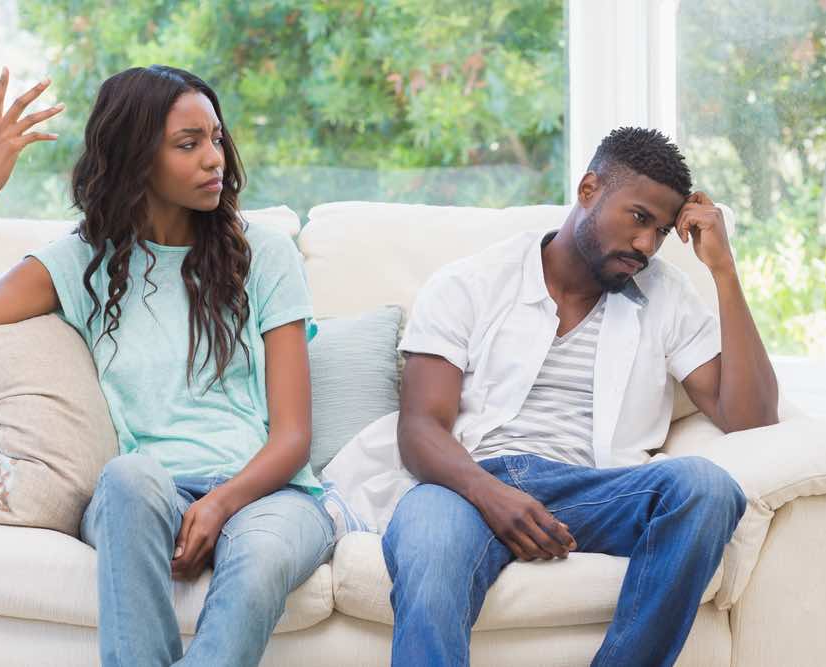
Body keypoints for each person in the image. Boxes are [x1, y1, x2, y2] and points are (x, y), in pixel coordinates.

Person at [0, 64, 335, 667]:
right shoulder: (84, 263)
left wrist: (221, 503)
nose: (215, 159)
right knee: (129, 475)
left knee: (260, 561)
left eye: (216, 138)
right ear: (136, 159)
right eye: (189, 144)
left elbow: (293, 436)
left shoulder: (266, 254)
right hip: (143, 495)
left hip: (269, 495)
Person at [322, 127, 777, 666]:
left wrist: (723, 271)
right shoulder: (472, 283)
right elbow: (421, 431)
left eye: (660, 231)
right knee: (430, 543)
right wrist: (496, 499)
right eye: (638, 218)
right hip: (466, 485)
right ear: (589, 190)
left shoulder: (666, 298)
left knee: (707, 487)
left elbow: (751, 417)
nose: (647, 246)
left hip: (595, 490)